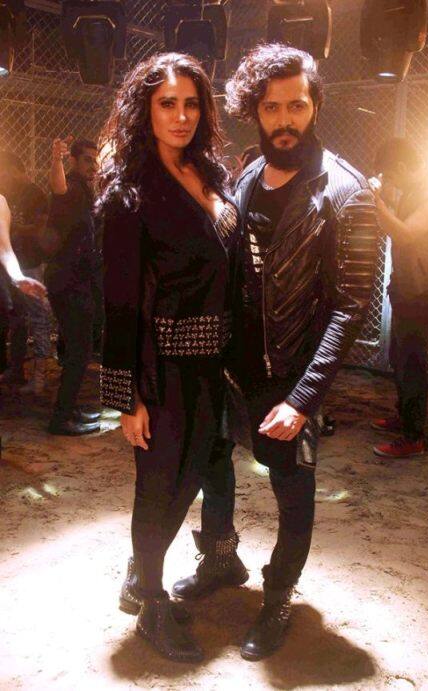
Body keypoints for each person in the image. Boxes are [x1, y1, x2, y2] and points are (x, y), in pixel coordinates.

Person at [172, 43, 379, 661]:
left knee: (293, 491)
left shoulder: (347, 192)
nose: (284, 119)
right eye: (271, 107)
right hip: (229, 366)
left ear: (315, 106)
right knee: (213, 466)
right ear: (254, 111)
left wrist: (303, 398)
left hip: (290, 377)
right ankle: (220, 558)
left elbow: (350, 307)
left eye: (297, 105)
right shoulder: (245, 176)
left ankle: (279, 596)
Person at [98, 52, 239, 662]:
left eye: (191, 104)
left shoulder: (209, 173)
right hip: (164, 368)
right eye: (167, 104)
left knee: (190, 481)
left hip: (214, 365)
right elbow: (119, 305)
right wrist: (125, 398)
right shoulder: (129, 197)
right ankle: (151, 603)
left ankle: (145, 580)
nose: (181, 116)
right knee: (159, 486)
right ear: (144, 110)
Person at [369, 137, 428, 455]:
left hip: (423, 291)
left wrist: (377, 203)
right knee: (400, 356)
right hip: (409, 287)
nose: (391, 182)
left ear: (401, 166)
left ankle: (413, 437)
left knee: (412, 362)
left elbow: (406, 233)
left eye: (391, 175)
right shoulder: (416, 189)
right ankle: (406, 416)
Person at [45, 137, 101, 435]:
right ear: (74, 161)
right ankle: (61, 419)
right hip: (69, 282)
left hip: (74, 281)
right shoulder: (72, 187)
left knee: (75, 350)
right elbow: (59, 188)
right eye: (87, 160)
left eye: (95, 159)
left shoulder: (86, 190)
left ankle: (68, 408)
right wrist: (56, 159)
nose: (94, 165)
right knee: (80, 352)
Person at [0, 151, 51, 393]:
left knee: (38, 318)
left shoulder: (31, 194)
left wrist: (18, 276)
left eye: (4, 172)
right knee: (17, 318)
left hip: (30, 263)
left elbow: (39, 230)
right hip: (16, 265)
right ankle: (16, 369)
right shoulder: (10, 194)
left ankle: (39, 377)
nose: (2, 177)